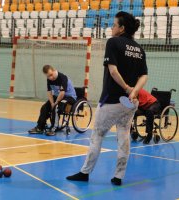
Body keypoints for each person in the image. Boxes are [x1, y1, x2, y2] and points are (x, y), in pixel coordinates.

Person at [66, 11, 148, 185]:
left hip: (112, 100)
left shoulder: (113, 42)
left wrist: (126, 88)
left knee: (97, 135)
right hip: (131, 103)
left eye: (114, 25)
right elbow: (144, 77)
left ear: (122, 28)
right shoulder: (140, 50)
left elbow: (113, 70)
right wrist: (133, 92)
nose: (112, 27)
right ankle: (118, 176)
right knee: (124, 136)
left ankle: (85, 172)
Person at [28, 65, 77, 136]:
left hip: (69, 97)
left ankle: (53, 128)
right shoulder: (49, 80)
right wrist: (51, 103)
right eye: (48, 76)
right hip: (58, 96)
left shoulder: (63, 78)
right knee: (44, 107)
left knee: (56, 107)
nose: (50, 78)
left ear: (54, 71)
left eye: (51, 75)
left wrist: (55, 103)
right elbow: (49, 92)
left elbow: (62, 92)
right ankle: (40, 127)